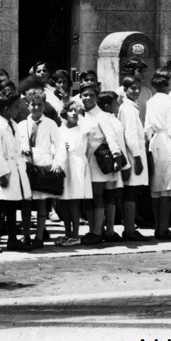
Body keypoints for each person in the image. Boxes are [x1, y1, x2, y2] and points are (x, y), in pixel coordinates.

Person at [81, 85, 129, 245]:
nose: (87, 98)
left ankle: (98, 232)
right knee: (103, 196)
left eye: (91, 95)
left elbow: (110, 136)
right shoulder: (83, 115)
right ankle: (104, 230)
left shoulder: (100, 116)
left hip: (100, 160)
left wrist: (116, 156)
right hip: (91, 159)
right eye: (84, 95)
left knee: (99, 196)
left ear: (96, 97)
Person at [0, 88, 32, 253]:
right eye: (16, 106)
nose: (18, 109)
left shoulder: (12, 124)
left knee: (12, 208)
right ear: (6, 109)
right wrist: (3, 175)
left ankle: (12, 240)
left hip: (15, 170)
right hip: (4, 173)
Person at [18, 86, 63, 247]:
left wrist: (57, 162)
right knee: (26, 203)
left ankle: (39, 237)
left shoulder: (51, 124)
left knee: (42, 203)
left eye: (40, 105)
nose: (36, 108)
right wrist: (22, 149)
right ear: (27, 105)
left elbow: (58, 145)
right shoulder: (22, 124)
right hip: (27, 167)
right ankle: (26, 236)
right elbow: (16, 144)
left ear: (44, 106)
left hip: (43, 167)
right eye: (33, 104)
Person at [144, 69, 171, 240]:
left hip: (155, 143)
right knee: (167, 187)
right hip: (167, 143)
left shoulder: (151, 101)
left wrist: (150, 143)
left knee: (156, 187)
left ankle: (158, 227)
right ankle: (164, 228)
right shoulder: (170, 102)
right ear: (165, 82)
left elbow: (147, 127)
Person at [117, 78, 150, 242]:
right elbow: (130, 136)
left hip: (134, 153)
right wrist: (137, 157)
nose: (136, 91)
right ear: (125, 90)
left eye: (138, 88)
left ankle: (129, 227)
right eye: (132, 88)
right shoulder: (128, 109)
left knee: (132, 192)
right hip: (133, 154)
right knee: (131, 191)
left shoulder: (130, 107)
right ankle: (129, 229)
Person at [56, 100, 91, 245]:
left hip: (76, 167)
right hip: (64, 167)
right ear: (65, 113)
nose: (74, 113)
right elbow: (54, 146)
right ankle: (67, 233)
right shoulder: (60, 129)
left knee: (74, 203)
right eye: (71, 110)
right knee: (63, 203)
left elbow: (78, 147)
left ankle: (76, 235)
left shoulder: (83, 130)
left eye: (77, 111)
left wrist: (80, 114)